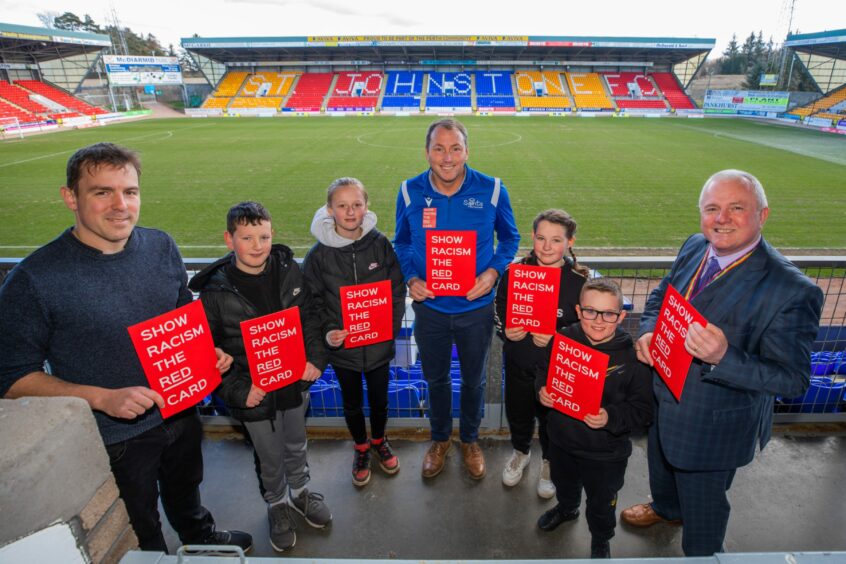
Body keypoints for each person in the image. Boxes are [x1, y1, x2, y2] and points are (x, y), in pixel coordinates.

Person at [0, 143, 252, 553]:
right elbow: (11, 377)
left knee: (186, 487)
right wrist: (101, 398)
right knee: (140, 519)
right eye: (102, 192)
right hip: (116, 436)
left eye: (129, 192)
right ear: (70, 198)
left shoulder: (161, 246)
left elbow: (181, 313)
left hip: (181, 411)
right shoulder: (34, 280)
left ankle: (200, 538)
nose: (120, 205)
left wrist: (205, 349)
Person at [620, 170, 824, 556]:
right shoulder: (696, 246)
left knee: (705, 511)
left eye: (736, 208)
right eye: (712, 208)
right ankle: (666, 509)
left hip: (713, 428)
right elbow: (664, 292)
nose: (722, 218)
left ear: (762, 215)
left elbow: (793, 379)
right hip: (664, 400)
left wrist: (723, 357)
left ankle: (704, 553)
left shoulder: (792, 289)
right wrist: (647, 331)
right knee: (661, 468)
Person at [188, 201, 331, 553]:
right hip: (255, 396)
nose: (257, 245)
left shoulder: (289, 271)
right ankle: (277, 503)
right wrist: (238, 391)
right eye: (247, 237)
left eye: (263, 236)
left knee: (297, 444)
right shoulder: (214, 294)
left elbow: (310, 317)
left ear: (273, 235)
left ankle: (300, 492)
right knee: (269, 456)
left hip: (295, 386)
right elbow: (209, 353)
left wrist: (314, 358)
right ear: (229, 240)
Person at [394, 118, 520, 480]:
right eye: (439, 148)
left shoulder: (494, 190)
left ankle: (469, 439)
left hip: (475, 311)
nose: (447, 157)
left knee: (473, 381)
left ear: (467, 151)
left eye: (455, 148)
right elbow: (401, 241)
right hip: (430, 310)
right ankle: (439, 440)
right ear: (427, 152)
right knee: (434, 380)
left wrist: (493, 272)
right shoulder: (408, 191)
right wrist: (411, 277)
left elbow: (509, 239)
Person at [535, 278, 653, 559]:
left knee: (601, 502)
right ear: (578, 311)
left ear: (621, 316)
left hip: (606, 454)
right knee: (565, 485)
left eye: (608, 314)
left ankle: (601, 536)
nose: (598, 321)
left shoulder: (633, 357)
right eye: (590, 311)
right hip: (562, 442)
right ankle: (567, 509)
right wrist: (541, 391)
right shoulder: (562, 339)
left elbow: (644, 410)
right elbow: (542, 371)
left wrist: (610, 417)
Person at [303, 178, 406, 487]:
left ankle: (379, 440)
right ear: (330, 209)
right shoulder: (318, 255)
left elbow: (397, 291)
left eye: (356, 204)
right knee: (351, 402)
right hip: (343, 352)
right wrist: (329, 333)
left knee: (379, 401)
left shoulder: (380, 244)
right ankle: (361, 446)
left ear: (366, 207)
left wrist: (389, 328)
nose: (350, 212)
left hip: (378, 347)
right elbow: (311, 304)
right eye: (342, 205)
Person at [494, 209, 588, 497]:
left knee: (552, 420)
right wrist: (506, 330)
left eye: (556, 240)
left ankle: (549, 462)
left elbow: (588, 330)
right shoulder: (514, 273)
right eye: (541, 238)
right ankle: (521, 452)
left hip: (555, 371)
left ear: (570, 242)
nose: (547, 247)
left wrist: (558, 338)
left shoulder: (579, 281)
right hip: (520, 363)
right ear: (532, 238)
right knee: (519, 413)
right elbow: (499, 310)